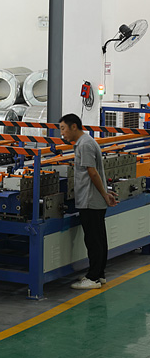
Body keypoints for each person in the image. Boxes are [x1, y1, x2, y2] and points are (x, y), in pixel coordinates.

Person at [59, 113, 118, 290]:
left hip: (90, 199)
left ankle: (93, 278)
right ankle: (99, 274)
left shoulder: (84, 145)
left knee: (93, 240)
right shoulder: (87, 142)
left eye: (63, 128)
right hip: (93, 198)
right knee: (99, 238)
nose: (62, 133)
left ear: (73, 126)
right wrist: (105, 192)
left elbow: (92, 173)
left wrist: (104, 194)